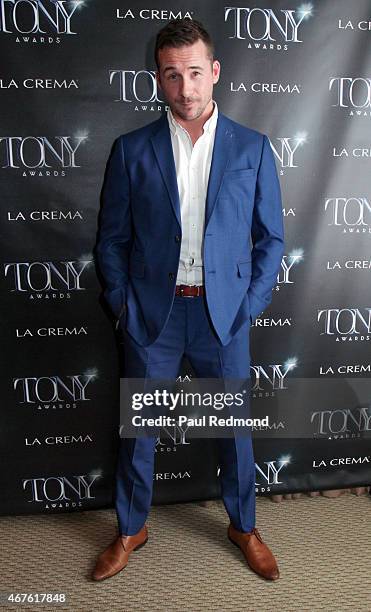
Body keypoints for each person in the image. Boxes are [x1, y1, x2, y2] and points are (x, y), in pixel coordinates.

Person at [93, 17, 284, 582]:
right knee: (139, 432)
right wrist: (124, 305)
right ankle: (132, 528)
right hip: (153, 313)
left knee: (234, 431)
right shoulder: (131, 150)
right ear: (159, 78)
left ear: (215, 71)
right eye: (172, 75)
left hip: (222, 315)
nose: (186, 88)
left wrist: (247, 306)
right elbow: (111, 241)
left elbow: (271, 238)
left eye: (195, 73)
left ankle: (243, 525)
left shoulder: (251, 147)